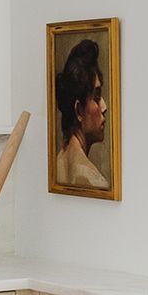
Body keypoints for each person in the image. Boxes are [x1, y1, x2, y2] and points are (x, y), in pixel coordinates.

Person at [55, 39, 108, 189]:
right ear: (79, 110)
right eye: (97, 97)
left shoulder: (58, 163)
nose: (104, 107)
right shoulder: (93, 181)